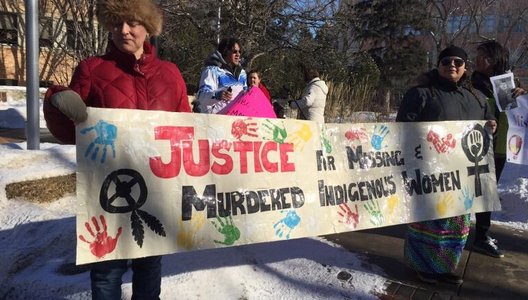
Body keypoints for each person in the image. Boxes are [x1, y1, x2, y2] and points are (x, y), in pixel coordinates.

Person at [43, 0, 191, 298]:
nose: (124, 30)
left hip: (156, 190)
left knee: (149, 266)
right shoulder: (92, 70)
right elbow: (72, 131)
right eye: (116, 23)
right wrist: (59, 102)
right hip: (108, 191)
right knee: (108, 272)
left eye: (133, 22)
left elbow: (185, 133)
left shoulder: (170, 74)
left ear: (148, 27)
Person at [396, 45, 495, 285]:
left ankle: (444, 266)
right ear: (438, 65)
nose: (452, 65)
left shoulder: (476, 96)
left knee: (456, 226)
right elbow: (401, 129)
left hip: (464, 174)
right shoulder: (421, 93)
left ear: (465, 67)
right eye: (446, 61)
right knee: (430, 224)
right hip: (431, 174)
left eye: (458, 62)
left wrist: (491, 125)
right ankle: (424, 267)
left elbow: (488, 119)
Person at [471, 40, 526, 258]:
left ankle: (481, 236)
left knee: (487, 191)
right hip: (474, 145)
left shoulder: (507, 83)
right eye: (477, 55)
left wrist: (523, 95)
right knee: (472, 189)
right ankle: (468, 232)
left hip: (501, 146)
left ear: (495, 59)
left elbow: (516, 113)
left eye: (482, 56)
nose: (477, 60)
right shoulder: (472, 82)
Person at [194, 37, 247, 113]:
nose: (238, 54)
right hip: (215, 120)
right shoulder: (211, 70)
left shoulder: (242, 73)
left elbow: (246, 96)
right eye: (234, 51)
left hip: (235, 120)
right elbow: (201, 97)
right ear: (225, 52)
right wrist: (217, 95)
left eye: (240, 52)